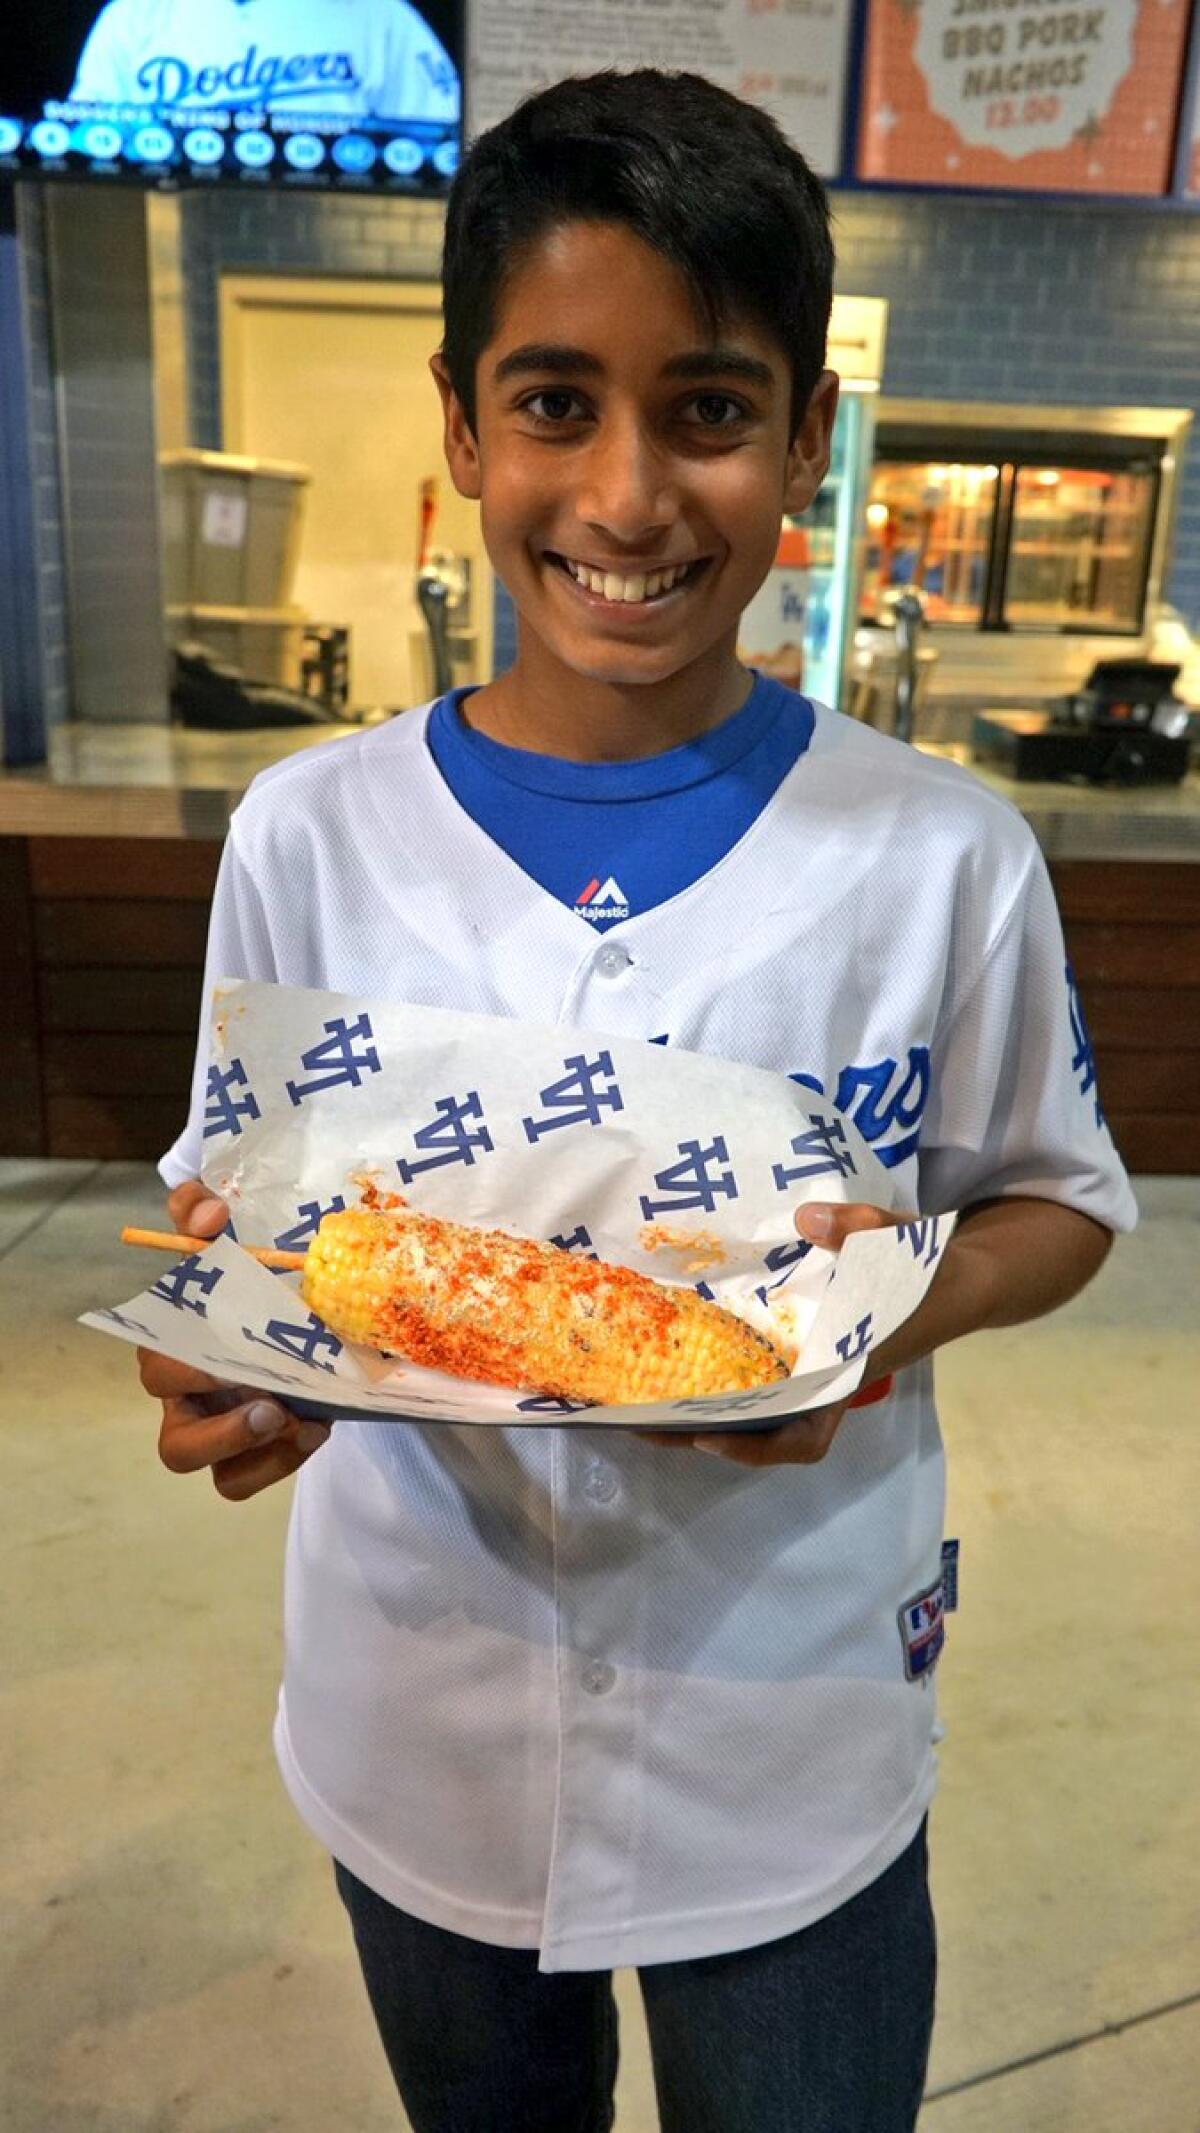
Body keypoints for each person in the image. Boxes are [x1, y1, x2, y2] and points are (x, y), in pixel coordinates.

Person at [140, 69, 1135, 2133]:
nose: (624, 497)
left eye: (704, 408)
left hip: (791, 1717)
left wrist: (881, 1313)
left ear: (805, 442)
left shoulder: (943, 854)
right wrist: (233, 1359)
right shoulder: (312, 833)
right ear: (459, 425)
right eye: (553, 403)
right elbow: (234, 1208)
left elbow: (1061, 1197)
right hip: (425, 1698)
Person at [69, 0, 459, 124]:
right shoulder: (133, 17)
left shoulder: (378, 15)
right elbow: (84, 145)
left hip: (343, 248)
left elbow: (446, 143)